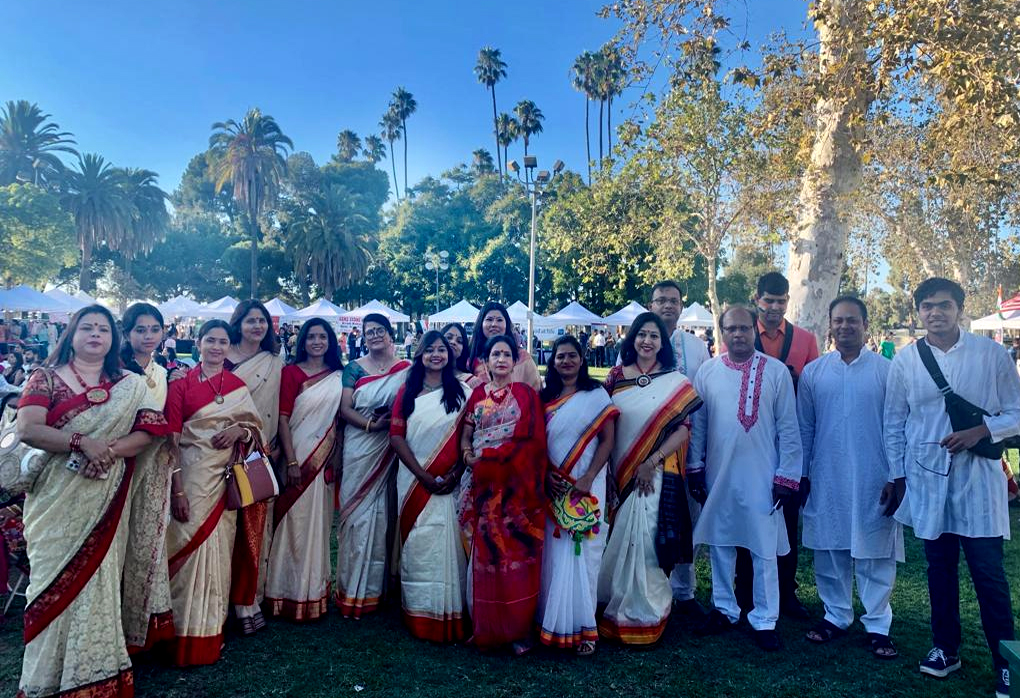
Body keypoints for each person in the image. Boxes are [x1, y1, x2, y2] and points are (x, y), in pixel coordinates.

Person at [16, 305, 166, 697]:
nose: (95, 334)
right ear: (72, 334)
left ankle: (94, 676)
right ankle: (45, 681)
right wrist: (82, 442)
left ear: (113, 339)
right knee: (50, 580)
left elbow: (149, 432)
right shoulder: (46, 377)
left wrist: (107, 451)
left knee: (99, 582)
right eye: (87, 327)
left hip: (105, 494)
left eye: (103, 328)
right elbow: (29, 429)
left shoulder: (130, 384)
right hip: (55, 499)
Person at [884, 278, 1020, 697]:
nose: (935, 313)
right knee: (939, 571)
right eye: (927, 306)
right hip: (927, 479)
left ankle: (1008, 666)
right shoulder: (906, 361)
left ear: (959, 308)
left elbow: (1017, 412)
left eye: (944, 305)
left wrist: (982, 430)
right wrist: (898, 477)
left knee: (989, 577)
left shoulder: (991, 355)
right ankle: (945, 648)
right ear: (918, 312)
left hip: (979, 481)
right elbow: (894, 422)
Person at [687, 305, 803, 652]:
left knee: (763, 548)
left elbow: (789, 428)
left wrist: (787, 476)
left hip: (763, 476)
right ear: (721, 332)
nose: (737, 334)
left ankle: (765, 618)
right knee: (721, 543)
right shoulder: (707, 372)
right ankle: (725, 609)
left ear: (754, 329)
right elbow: (698, 426)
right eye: (731, 329)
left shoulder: (776, 372)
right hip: (718, 473)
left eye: (743, 328)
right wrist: (695, 468)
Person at [798, 297, 903, 659]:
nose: (845, 327)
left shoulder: (886, 371)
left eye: (852, 320)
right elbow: (806, 427)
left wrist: (896, 475)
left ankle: (878, 625)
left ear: (865, 324)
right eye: (838, 321)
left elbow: (896, 427)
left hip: (875, 475)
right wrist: (803, 475)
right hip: (826, 474)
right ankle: (836, 615)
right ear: (830, 325)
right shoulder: (814, 373)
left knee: (875, 552)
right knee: (829, 548)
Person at [598, 312, 701, 645]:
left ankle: (647, 612)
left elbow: (683, 432)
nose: (647, 341)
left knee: (646, 540)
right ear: (632, 339)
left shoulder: (675, 381)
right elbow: (603, 424)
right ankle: (613, 605)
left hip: (652, 475)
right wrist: (607, 470)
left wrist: (650, 462)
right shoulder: (615, 377)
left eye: (654, 336)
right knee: (617, 537)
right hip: (618, 471)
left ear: (662, 342)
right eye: (641, 334)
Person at [165, 320, 262, 666]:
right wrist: (177, 490)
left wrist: (239, 431)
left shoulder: (238, 386)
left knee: (219, 553)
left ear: (229, 346)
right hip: (191, 478)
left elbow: (256, 434)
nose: (217, 347)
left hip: (226, 480)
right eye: (210, 340)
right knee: (185, 547)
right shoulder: (180, 385)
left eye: (223, 342)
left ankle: (211, 631)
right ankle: (179, 633)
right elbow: (171, 441)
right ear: (198, 343)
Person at [459, 334, 547, 653]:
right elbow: (466, 434)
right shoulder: (477, 395)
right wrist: (469, 454)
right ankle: (486, 625)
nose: (500, 359)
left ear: (514, 361)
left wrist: (495, 459)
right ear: (485, 361)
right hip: (479, 484)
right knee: (484, 552)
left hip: (515, 488)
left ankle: (516, 627)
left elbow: (533, 441)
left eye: (506, 354)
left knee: (513, 556)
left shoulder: (525, 394)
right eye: (495, 354)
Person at [740, 271, 819, 619]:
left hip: (790, 439)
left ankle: (787, 591)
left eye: (780, 301)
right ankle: (745, 589)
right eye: (768, 300)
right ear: (757, 299)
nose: (774, 307)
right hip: (750, 440)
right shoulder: (742, 334)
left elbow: (813, 391)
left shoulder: (805, 340)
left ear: (788, 302)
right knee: (749, 513)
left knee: (787, 518)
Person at [538, 336, 619, 656]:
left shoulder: (596, 395)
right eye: (560, 356)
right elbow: (536, 444)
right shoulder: (545, 398)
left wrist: (588, 476)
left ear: (582, 360)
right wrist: (545, 474)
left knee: (584, 554)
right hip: (554, 486)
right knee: (553, 554)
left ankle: (584, 627)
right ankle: (551, 621)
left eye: (572, 355)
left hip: (587, 484)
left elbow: (608, 440)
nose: (566, 361)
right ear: (553, 361)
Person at [389, 331, 469, 641]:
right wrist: (422, 475)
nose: (436, 355)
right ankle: (418, 611)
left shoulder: (462, 392)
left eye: (441, 349)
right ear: (420, 354)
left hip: (451, 480)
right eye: (429, 350)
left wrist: (455, 474)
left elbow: (468, 438)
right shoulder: (407, 391)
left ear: (450, 354)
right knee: (418, 543)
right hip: (413, 479)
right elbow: (396, 437)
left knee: (447, 543)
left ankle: (451, 610)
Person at [264, 319, 343, 622]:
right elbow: (283, 419)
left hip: (324, 460)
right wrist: (292, 461)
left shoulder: (338, 375)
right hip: (296, 456)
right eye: (311, 337)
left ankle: (312, 593)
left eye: (322, 336)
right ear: (303, 341)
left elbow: (338, 421)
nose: (317, 342)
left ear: (330, 341)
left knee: (317, 525)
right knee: (290, 523)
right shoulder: (291, 372)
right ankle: (282, 591)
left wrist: (335, 455)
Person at [336, 313, 411, 618]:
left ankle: (378, 589)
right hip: (360, 446)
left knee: (384, 515)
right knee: (357, 516)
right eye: (369, 332)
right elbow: (345, 408)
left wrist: (389, 424)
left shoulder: (406, 369)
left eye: (380, 330)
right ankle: (351, 589)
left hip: (391, 449)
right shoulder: (354, 368)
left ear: (390, 334)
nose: (375, 335)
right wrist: (371, 425)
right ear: (363, 337)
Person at [643, 280, 711, 614]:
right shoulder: (637, 342)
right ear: (651, 306)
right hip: (645, 450)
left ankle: (683, 590)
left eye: (673, 300)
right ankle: (648, 587)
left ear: (682, 307)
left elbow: (705, 398)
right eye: (661, 300)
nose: (667, 305)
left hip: (688, 448)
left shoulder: (696, 348)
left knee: (689, 519)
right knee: (648, 519)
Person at [118, 303, 178, 655]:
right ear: (127, 333)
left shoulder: (164, 371)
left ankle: (143, 628)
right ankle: (116, 628)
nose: (148, 336)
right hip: (120, 465)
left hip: (155, 468)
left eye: (155, 329)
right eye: (140, 330)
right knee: (118, 544)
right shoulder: (115, 370)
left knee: (148, 543)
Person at [224, 300, 285, 634]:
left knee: (254, 528)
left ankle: (248, 600)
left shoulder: (274, 361)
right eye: (251, 321)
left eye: (262, 321)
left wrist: (271, 446)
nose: (257, 326)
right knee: (221, 530)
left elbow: (275, 408)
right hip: (217, 451)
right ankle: (216, 600)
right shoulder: (221, 354)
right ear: (238, 324)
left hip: (258, 452)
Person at [467, 302, 542, 391]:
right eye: (489, 319)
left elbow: (536, 391)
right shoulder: (471, 358)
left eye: (499, 320)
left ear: (506, 324)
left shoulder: (522, 357)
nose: (494, 324)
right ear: (481, 324)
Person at [441, 322, 483, 389]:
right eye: (449, 337)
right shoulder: (426, 375)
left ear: (463, 350)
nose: (453, 342)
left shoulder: (471, 381)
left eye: (459, 341)